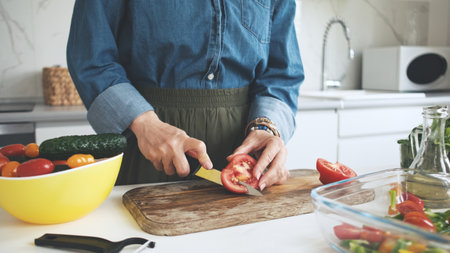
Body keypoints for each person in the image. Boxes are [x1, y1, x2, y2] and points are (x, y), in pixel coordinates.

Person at [67, 0, 304, 190]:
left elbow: (283, 74)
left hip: (244, 155)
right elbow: (92, 60)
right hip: (146, 149)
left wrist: (266, 128)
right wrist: (144, 124)